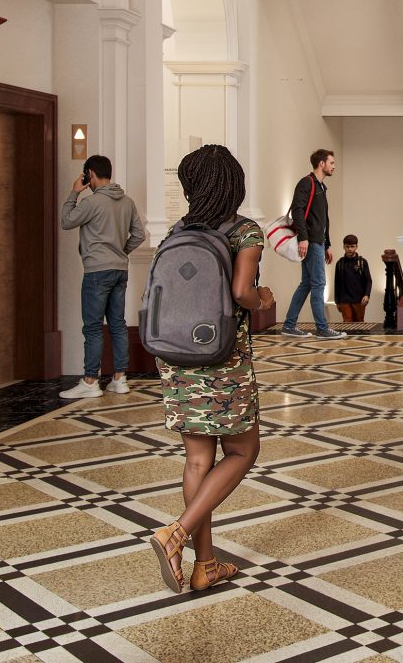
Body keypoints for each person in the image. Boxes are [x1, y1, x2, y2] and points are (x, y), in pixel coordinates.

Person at [148, 144, 272, 594]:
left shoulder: (177, 231)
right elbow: (242, 291)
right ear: (233, 185)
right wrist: (264, 298)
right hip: (223, 358)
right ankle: (174, 533)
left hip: (176, 356)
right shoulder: (244, 232)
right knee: (242, 452)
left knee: (198, 458)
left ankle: (205, 565)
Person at [59, 154, 147, 399]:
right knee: (118, 325)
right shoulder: (127, 201)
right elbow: (139, 234)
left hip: (97, 271)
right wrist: (120, 252)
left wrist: (74, 193)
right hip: (120, 270)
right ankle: (120, 379)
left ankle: (90, 381)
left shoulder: (91, 202)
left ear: (90, 174)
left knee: (94, 327)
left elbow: (66, 221)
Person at [281, 149, 345, 339]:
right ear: (322, 164)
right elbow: (298, 211)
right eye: (332, 163)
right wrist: (303, 238)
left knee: (307, 283)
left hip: (318, 242)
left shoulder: (321, 188)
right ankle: (322, 329)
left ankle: (289, 325)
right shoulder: (306, 183)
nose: (334, 166)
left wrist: (327, 245)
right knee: (318, 284)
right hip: (310, 241)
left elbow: (323, 220)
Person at [333, 235, 372, 323]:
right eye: (347, 246)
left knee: (359, 323)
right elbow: (337, 283)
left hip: (359, 299)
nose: (350, 249)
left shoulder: (362, 262)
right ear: (343, 247)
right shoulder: (340, 263)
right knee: (347, 323)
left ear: (356, 246)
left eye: (352, 246)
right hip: (344, 300)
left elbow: (368, 280)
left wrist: (367, 295)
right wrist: (337, 301)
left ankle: (360, 338)